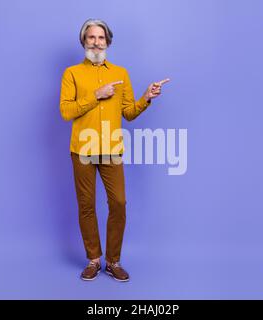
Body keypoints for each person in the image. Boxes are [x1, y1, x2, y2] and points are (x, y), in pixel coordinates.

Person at [59, 19, 169, 282]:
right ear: (83, 41)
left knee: (118, 203)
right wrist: (95, 95)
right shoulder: (72, 73)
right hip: (82, 149)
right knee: (86, 206)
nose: (96, 42)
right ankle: (93, 259)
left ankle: (113, 261)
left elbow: (129, 113)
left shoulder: (121, 73)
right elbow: (66, 112)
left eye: (101, 38)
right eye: (91, 37)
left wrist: (146, 97)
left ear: (108, 42)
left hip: (111, 149)